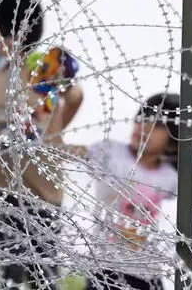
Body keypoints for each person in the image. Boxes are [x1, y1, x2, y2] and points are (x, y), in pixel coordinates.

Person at [0, 0, 83, 289]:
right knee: (8, 276)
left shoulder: (45, 65)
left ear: (13, 33)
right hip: (1, 184)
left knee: (44, 276)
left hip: (43, 190)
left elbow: (75, 95)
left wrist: (53, 132)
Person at [54, 93, 180, 290]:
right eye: (142, 118)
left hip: (147, 272)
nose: (144, 127)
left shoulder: (169, 177)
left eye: (157, 125)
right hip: (105, 267)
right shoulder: (110, 152)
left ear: (172, 142)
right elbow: (66, 152)